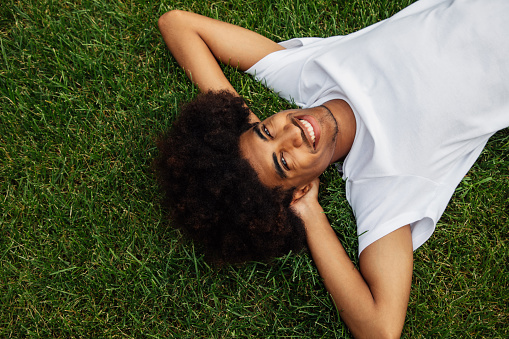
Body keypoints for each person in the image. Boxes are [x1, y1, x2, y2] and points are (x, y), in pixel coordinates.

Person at [155, 0, 509, 337]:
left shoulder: (304, 74)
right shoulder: (384, 184)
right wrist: (309, 213)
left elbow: (177, 25)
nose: (292, 132)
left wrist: (247, 123)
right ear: (298, 188)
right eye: (283, 161)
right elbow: (380, 328)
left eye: (268, 131)